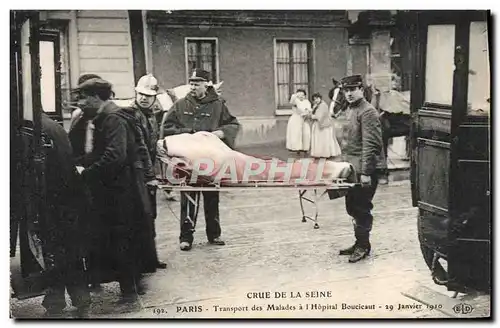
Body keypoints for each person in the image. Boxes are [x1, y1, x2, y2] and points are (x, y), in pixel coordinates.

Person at [75, 77, 156, 301]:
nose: (80, 103)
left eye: (82, 98)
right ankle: (130, 285)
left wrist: (86, 172)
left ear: (95, 97)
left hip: (121, 193)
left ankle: (130, 290)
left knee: (122, 238)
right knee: (120, 238)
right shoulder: (103, 117)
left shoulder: (111, 119)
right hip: (117, 190)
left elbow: (115, 155)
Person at [162, 69, 240, 251]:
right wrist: (188, 134)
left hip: (211, 160)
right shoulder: (180, 105)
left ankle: (214, 234)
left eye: (197, 83)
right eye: (191, 83)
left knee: (212, 196)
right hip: (187, 161)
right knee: (188, 196)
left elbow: (233, 124)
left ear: (207, 85)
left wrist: (220, 133)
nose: (193, 86)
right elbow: (167, 128)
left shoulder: (218, 105)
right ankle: (186, 237)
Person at [40, 113, 91, 318]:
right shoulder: (50, 126)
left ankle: (58, 299)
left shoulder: (38, 128)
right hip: (67, 198)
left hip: (56, 199)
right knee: (67, 249)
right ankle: (78, 298)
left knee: (57, 250)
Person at [337, 75, 385, 263]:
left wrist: (366, 173)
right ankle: (359, 242)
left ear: (361, 90)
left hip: (364, 170)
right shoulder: (351, 110)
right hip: (351, 169)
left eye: (353, 89)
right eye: (346, 90)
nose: (349, 93)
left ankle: (363, 246)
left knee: (362, 207)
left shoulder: (368, 112)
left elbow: (371, 145)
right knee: (352, 206)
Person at [126, 73, 168, 269]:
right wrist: (151, 176)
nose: (143, 98)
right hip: (137, 175)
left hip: (148, 173)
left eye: (148, 95)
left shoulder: (152, 115)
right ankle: (142, 260)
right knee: (140, 217)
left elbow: (151, 146)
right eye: (141, 94)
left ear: (154, 98)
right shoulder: (131, 114)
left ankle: (150, 257)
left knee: (150, 216)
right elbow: (140, 146)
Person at [308, 93, 341, 159]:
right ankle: (319, 153)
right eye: (314, 99)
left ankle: (325, 153)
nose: (316, 100)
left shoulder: (323, 105)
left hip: (323, 124)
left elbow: (319, 116)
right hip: (318, 124)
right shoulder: (316, 105)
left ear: (320, 98)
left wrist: (310, 116)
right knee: (319, 138)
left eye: (317, 98)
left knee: (323, 138)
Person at [286, 89, 312, 156]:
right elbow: (292, 100)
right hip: (296, 119)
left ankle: (305, 148)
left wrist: (307, 113)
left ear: (305, 96)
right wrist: (296, 95)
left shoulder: (307, 102)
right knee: (297, 134)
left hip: (304, 119)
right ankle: (297, 148)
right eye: (299, 95)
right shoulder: (295, 101)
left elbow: (308, 109)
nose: (301, 97)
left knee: (306, 133)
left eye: (303, 95)